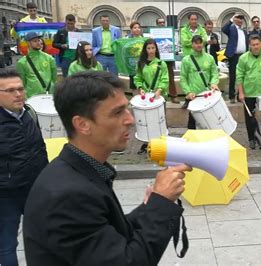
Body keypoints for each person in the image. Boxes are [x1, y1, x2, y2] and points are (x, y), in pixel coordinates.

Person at [22, 71, 191, 265]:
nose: (131, 120)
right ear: (83, 124)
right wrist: (160, 204)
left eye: (127, 109)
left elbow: (108, 233)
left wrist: (149, 208)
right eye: (118, 112)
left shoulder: (81, 172)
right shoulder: (68, 196)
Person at [0, 69, 48, 266]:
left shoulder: (29, 113)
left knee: (44, 239)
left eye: (20, 89)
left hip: (34, 189)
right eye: (10, 90)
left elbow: (39, 148)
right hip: (5, 195)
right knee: (6, 246)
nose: (18, 94)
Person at [237, 35, 261, 149]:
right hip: (248, 92)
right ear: (250, 45)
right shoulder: (243, 58)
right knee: (250, 118)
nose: (255, 47)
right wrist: (241, 93)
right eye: (253, 45)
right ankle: (252, 139)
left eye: (257, 44)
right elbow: (239, 76)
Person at [134, 39, 169, 153]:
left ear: (156, 49)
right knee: (146, 120)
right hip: (146, 96)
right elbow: (138, 78)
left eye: (153, 48)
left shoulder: (161, 64)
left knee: (159, 119)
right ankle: (146, 143)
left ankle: (161, 143)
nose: (151, 51)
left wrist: (160, 90)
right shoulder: (141, 63)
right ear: (145, 49)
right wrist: (140, 88)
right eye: (148, 48)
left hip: (158, 96)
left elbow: (165, 79)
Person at [180, 35, 220, 129]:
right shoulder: (186, 60)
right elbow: (183, 78)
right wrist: (188, 92)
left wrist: (214, 83)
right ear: (192, 45)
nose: (199, 45)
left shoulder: (209, 58)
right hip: (194, 96)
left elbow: (214, 73)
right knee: (192, 123)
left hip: (208, 95)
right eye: (196, 43)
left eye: (200, 43)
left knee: (209, 122)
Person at [16, 32, 57, 98]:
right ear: (28, 43)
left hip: (49, 95)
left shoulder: (50, 58)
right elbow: (22, 83)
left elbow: (54, 78)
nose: (38, 42)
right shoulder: (21, 62)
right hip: (31, 97)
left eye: (38, 40)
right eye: (35, 41)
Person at [222, 13, 248, 103]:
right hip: (234, 56)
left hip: (243, 56)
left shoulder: (244, 31)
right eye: (238, 18)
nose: (240, 20)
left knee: (242, 77)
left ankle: (239, 95)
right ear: (235, 19)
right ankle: (231, 96)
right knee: (233, 76)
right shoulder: (231, 28)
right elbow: (223, 29)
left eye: (241, 19)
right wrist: (231, 20)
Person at [156, 18, 180, 104]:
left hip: (168, 59)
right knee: (158, 78)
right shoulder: (154, 34)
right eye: (160, 22)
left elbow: (175, 44)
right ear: (157, 24)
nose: (162, 24)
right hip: (157, 60)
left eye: (163, 22)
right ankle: (161, 96)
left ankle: (173, 96)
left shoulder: (169, 32)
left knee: (171, 78)